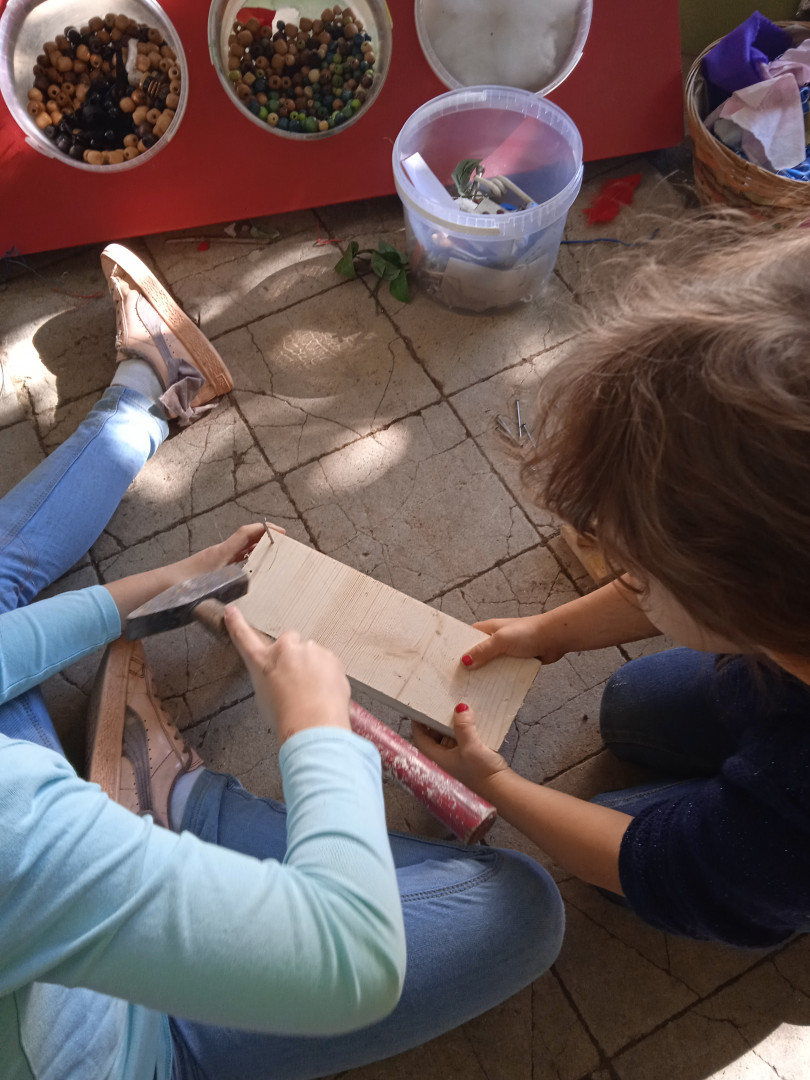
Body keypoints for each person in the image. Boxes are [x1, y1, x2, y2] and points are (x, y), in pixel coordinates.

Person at [1, 244, 564, 1080]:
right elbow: (347, 963)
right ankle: (178, 806)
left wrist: (173, 582)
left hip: (46, 931)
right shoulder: (20, 832)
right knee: (523, 908)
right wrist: (317, 733)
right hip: (133, 1046)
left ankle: (151, 390)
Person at [413, 214, 810, 950]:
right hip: (780, 698)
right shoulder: (788, 592)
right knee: (632, 705)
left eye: (639, 570)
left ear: (749, 606)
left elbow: (654, 866)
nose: (625, 576)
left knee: (635, 854)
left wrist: (492, 781)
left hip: (784, 845)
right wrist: (546, 632)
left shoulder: (796, 819)